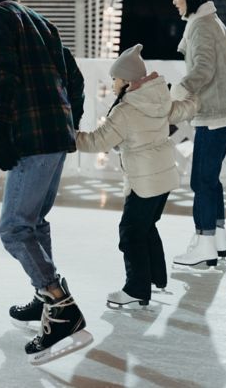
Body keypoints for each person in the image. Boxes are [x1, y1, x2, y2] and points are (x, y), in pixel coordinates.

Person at [0, 0, 92, 364]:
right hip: (56, 136)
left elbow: (1, 74)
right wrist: (67, 119)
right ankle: (44, 298)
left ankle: (61, 305)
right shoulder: (42, 21)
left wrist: (0, 129)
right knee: (34, 222)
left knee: (14, 227)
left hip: (29, 136)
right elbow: (74, 79)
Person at [75, 44, 198, 306]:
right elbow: (182, 110)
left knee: (130, 232)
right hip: (163, 178)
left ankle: (136, 290)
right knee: (146, 227)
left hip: (144, 181)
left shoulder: (126, 111)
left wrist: (69, 137)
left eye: (115, 79)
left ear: (128, 81)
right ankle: (155, 278)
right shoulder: (158, 99)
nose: (112, 85)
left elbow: (98, 142)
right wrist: (197, 98)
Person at [169, 0, 226, 268]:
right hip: (223, 113)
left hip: (213, 115)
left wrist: (178, 91)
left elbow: (203, 69)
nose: (174, 1)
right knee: (211, 180)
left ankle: (205, 245)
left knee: (201, 181)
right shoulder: (212, 22)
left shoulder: (201, 26)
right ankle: (217, 239)